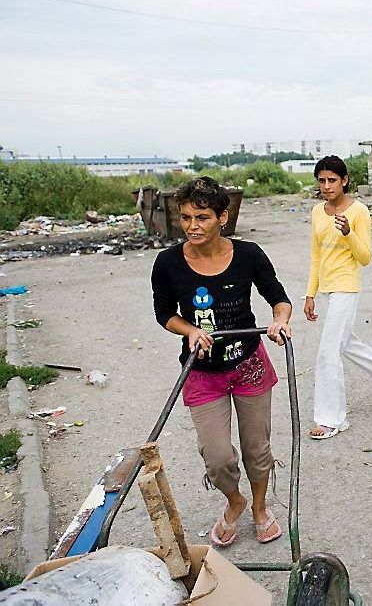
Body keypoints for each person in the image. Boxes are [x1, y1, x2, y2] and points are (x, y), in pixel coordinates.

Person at [151, 176, 290, 548]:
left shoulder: (248, 255)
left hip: (248, 364)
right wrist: (189, 330)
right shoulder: (168, 263)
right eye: (185, 218)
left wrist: (279, 320)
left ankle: (260, 509)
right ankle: (235, 500)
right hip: (202, 371)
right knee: (216, 458)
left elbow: (277, 296)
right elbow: (163, 312)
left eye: (202, 217)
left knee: (257, 450)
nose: (192, 226)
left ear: (222, 217)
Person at [303, 155, 372, 440]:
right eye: (322, 181)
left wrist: (348, 233)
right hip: (326, 289)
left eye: (332, 180)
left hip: (346, 288)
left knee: (327, 352)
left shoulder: (359, 211)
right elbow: (316, 255)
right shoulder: (316, 212)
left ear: (344, 180)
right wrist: (310, 293)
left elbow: (365, 257)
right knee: (347, 344)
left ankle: (331, 419)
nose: (326, 186)